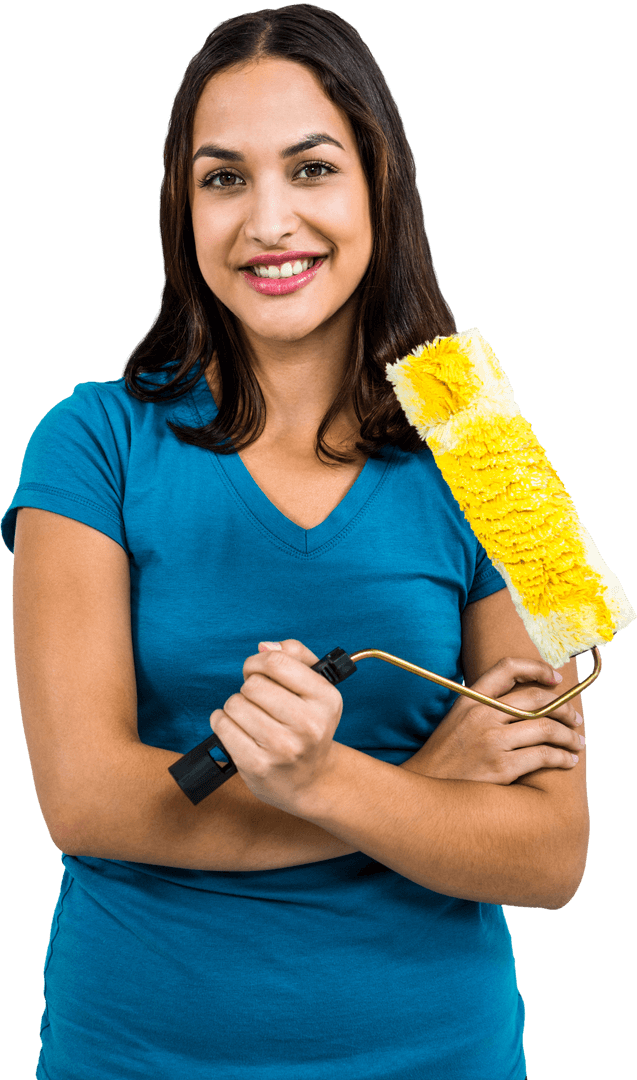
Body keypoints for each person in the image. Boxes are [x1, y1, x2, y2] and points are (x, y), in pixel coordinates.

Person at [3, 5, 587, 1078]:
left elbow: (549, 854)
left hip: (434, 1055)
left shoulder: (497, 450)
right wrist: (417, 787)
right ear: (182, 207)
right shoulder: (89, 442)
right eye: (223, 178)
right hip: (137, 1054)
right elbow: (83, 798)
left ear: (380, 184)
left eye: (312, 169)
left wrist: (325, 779)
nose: (269, 220)